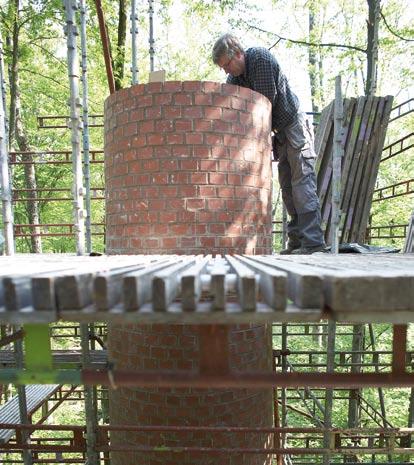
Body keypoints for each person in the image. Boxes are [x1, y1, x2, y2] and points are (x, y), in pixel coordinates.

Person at [212, 33, 327, 254]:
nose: (226, 71)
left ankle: (313, 243)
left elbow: (263, 106)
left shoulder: (260, 60)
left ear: (238, 53)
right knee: (287, 188)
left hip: (294, 128)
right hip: (280, 133)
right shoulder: (237, 77)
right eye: (222, 67)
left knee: (302, 184)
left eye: (226, 64)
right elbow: (229, 102)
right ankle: (296, 242)